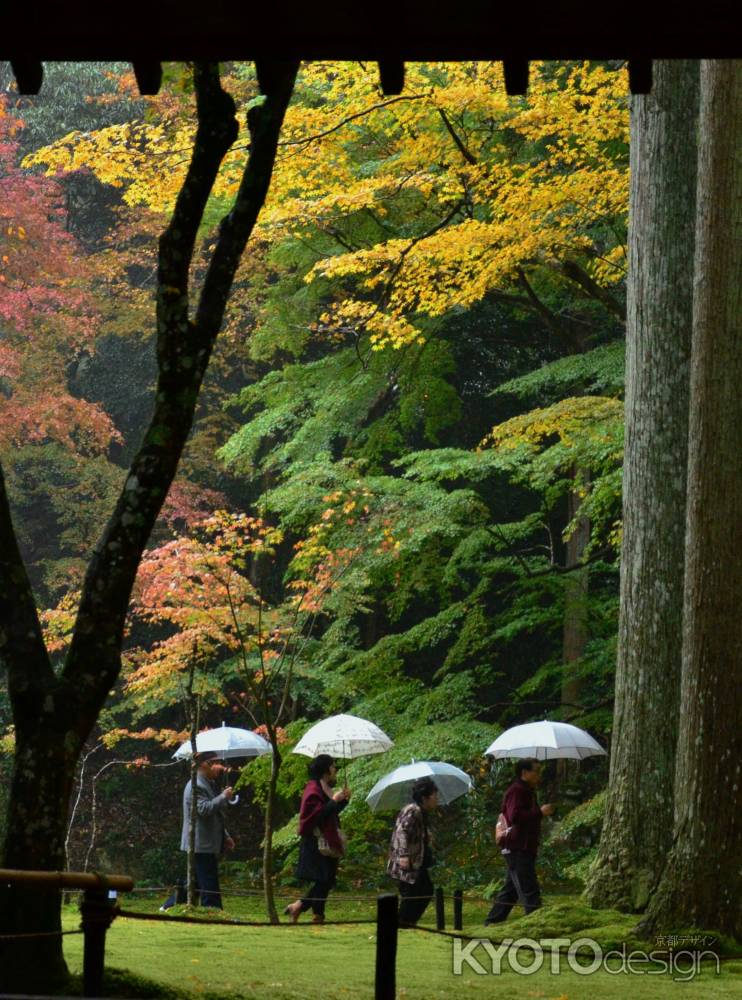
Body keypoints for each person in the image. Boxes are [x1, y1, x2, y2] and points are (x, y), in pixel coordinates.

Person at [161, 751, 236, 910]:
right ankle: (213, 911)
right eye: (215, 762)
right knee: (208, 880)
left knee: (194, 880)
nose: (219, 767)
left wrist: (225, 836)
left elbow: (215, 815)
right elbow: (203, 809)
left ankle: (170, 906)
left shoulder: (206, 783)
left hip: (205, 841)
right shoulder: (196, 785)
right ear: (204, 764)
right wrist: (223, 797)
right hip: (200, 843)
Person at [484, 757, 554, 925]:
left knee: (511, 890)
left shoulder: (528, 791)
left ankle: (492, 922)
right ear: (524, 773)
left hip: (523, 846)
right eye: (536, 771)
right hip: (517, 847)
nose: (539, 775)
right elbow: (515, 816)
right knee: (529, 887)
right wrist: (540, 813)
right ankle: (535, 925)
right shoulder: (517, 791)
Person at [284, 754, 351, 924]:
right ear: (327, 768)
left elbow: (330, 813)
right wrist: (333, 801)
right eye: (333, 766)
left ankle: (305, 909)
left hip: (328, 839)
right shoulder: (313, 789)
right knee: (323, 879)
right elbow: (315, 816)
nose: (335, 769)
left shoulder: (325, 786)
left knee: (327, 879)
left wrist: (343, 801)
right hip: (316, 841)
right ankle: (313, 914)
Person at [387, 777, 439, 927]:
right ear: (425, 798)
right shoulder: (413, 810)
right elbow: (402, 831)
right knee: (413, 893)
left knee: (424, 890)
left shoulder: (419, 811)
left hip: (415, 860)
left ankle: (407, 922)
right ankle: (401, 923)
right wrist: (403, 855)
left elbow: (413, 833)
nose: (436, 799)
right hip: (407, 861)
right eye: (434, 796)